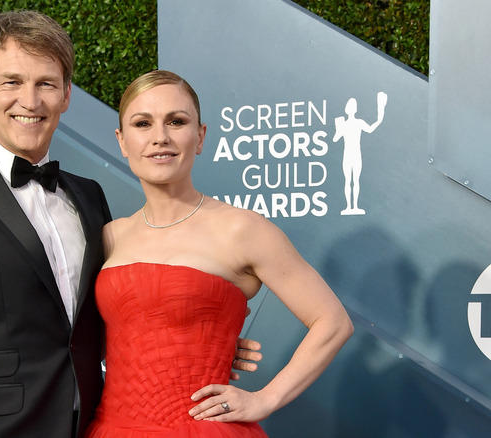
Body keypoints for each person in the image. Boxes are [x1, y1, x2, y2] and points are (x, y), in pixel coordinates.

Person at [0, 11, 259, 438]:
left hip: (93, 427)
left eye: (46, 84)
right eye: (12, 82)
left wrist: (193, 337)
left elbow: (110, 313)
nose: (30, 101)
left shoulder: (88, 196)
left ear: (66, 96)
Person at [85, 70, 354, 437]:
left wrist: (266, 398)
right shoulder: (110, 236)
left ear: (200, 136)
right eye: (142, 123)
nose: (160, 137)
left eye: (176, 121)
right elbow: (105, 341)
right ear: (122, 140)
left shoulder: (242, 229)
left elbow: (333, 322)